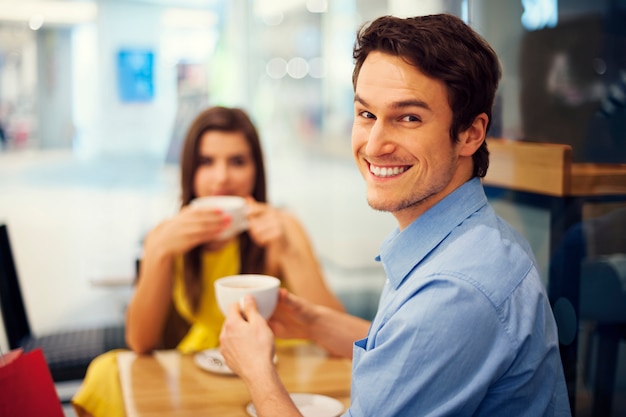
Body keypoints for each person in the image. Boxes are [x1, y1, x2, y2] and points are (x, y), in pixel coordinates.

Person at [219, 14, 572, 416]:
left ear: (471, 133)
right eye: (366, 114)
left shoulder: (456, 291)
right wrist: (313, 323)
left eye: (408, 118)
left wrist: (257, 371)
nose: (374, 144)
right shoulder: (475, 239)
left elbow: (434, 327)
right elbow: (412, 347)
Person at [71, 106, 344, 417]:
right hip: (205, 366)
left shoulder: (281, 227)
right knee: (106, 371)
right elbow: (139, 341)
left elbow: (337, 338)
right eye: (206, 162)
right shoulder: (168, 234)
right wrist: (159, 251)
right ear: (189, 172)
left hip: (280, 371)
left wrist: (287, 249)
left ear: (257, 171)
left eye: (237, 161)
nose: (222, 178)